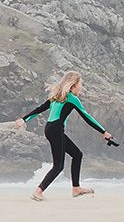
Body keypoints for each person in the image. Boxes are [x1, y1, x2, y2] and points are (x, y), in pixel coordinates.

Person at [14, 71, 113, 201]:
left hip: (50, 129)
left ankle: (76, 188)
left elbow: (40, 108)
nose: (81, 87)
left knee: (77, 154)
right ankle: (38, 192)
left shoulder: (56, 96)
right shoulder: (71, 98)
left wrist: (24, 119)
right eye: (80, 84)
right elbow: (87, 117)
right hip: (55, 130)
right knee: (58, 166)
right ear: (73, 85)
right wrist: (104, 132)